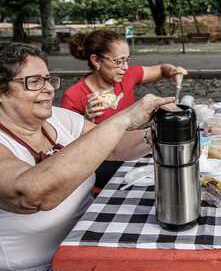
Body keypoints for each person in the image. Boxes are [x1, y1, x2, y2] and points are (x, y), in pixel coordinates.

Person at [0, 41, 173, 271]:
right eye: (33, 81)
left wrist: (167, 127)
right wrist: (124, 119)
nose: (49, 89)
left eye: (48, 79)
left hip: (81, 252)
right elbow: (32, 194)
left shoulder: (59, 119)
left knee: (161, 262)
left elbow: (117, 147)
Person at [61, 29, 186, 188]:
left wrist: (173, 70)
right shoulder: (74, 95)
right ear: (96, 60)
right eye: (119, 61)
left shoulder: (127, 77)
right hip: (105, 162)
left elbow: (162, 69)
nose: (125, 67)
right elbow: (68, 152)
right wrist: (86, 120)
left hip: (136, 150)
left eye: (127, 60)